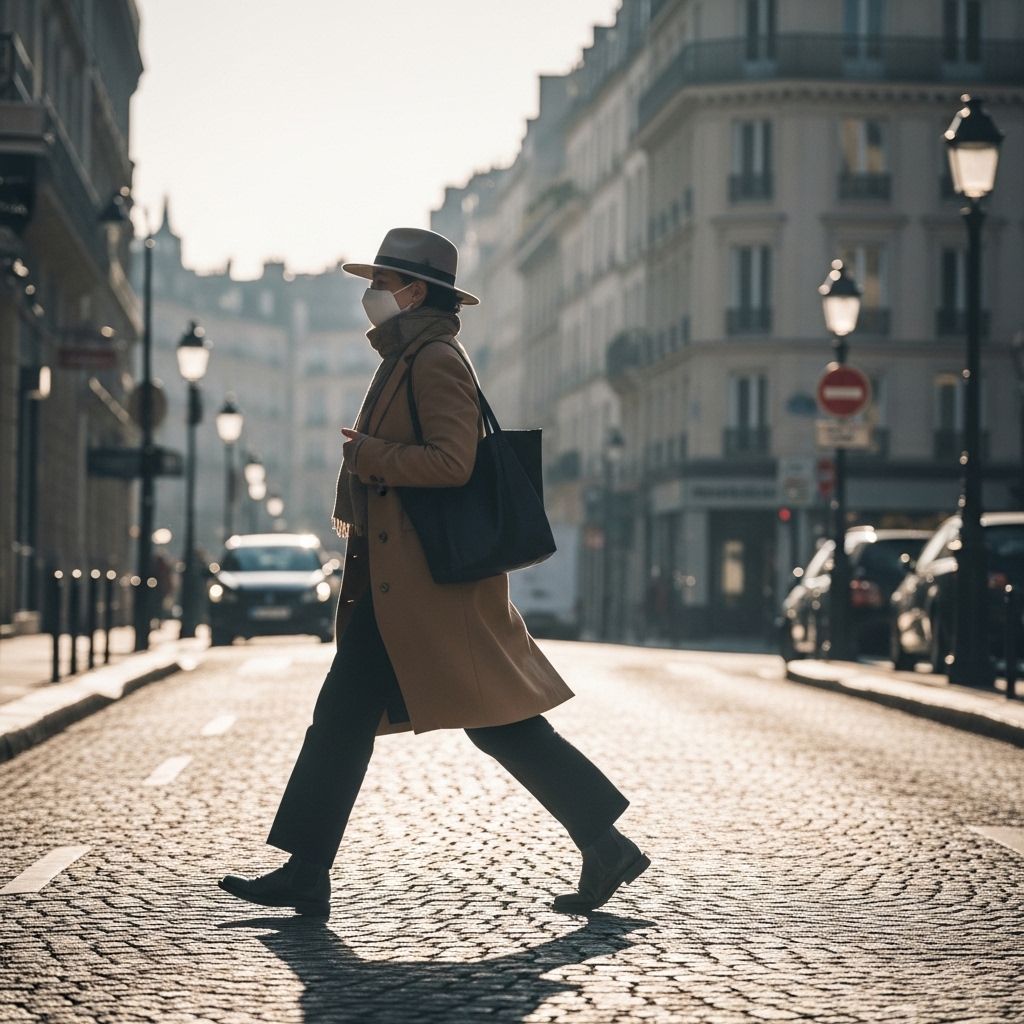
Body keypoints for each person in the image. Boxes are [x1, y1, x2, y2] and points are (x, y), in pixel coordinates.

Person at [219, 228, 649, 918]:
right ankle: (307, 868)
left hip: (429, 589)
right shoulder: (406, 356)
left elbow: (454, 463)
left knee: (494, 721)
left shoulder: (435, 360)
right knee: (354, 718)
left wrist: (371, 457)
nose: (372, 295)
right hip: (404, 588)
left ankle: (605, 843)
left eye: (383, 282)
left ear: (414, 292)